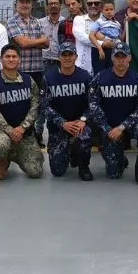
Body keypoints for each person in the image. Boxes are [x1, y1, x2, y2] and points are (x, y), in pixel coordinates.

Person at [88, 44, 138, 185]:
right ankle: (119, 158)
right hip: (109, 126)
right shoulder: (100, 78)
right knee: (114, 174)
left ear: (129, 58)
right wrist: (107, 128)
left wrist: (123, 126)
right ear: (112, 58)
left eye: (123, 57)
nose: (120, 61)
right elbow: (93, 105)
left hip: (130, 124)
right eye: (117, 57)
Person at [0, 44, 44, 181]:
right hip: (1, 131)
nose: (11, 59)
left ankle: (14, 153)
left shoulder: (29, 80)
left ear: (19, 60)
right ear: (1, 60)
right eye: (7, 56)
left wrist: (22, 128)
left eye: (14, 56)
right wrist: (11, 131)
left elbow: (35, 106)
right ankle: (2, 160)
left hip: (24, 132)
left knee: (36, 172)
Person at [42, 42, 96, 180]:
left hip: (79, 125)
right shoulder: (49, 77)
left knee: (85, 136)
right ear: (59, 57)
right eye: (63, 55)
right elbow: (44, 105)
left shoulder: (85, 77)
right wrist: (62, 123)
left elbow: (93, 103)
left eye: (70, 54)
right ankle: (69, 151)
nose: (67, 58)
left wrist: (83, 120)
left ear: (76, 56)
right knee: (57, 171)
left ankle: (83, 166)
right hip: (58, 127)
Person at [89, 0, 123, 71]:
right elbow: (91, 36)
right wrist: (100, 48)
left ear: (114, 10)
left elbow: (121, 38)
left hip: (113, 51)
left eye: (111, 9)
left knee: (112, 72)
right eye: (106, 10)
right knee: (100, 72)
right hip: (101, 50)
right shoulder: (99, 22)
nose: (109, 12)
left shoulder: (117, 24)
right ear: (102, 11)